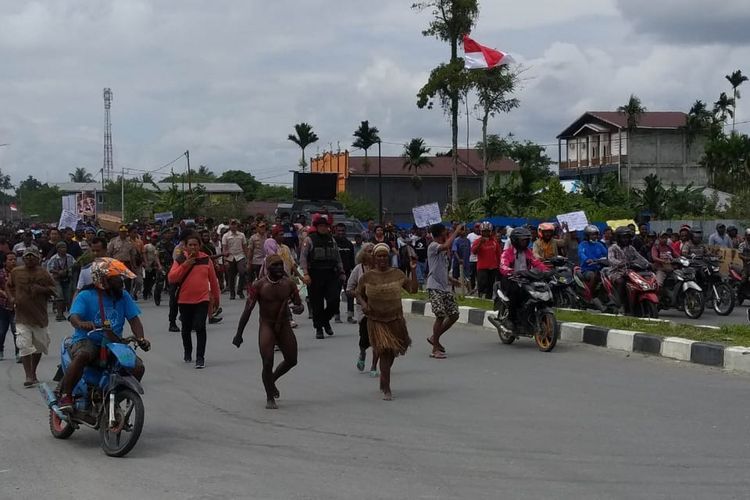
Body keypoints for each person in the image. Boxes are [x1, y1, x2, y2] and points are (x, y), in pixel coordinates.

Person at [57, 258, 150, 411]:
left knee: (137, 367)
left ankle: (116, 399)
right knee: (83, 355)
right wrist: (81, 323)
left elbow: (134, 320)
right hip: (87, 339)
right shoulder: (85, 296)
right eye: (116, 278)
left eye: (121, 277)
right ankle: (66, 395)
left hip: (113, 342)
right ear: (103, 280)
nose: (121, 281)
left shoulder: (124, 296)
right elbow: (74, 316)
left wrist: (141, 338)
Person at [233, 254, 304, 409]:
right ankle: (269, 397)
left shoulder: (289, 284)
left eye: (281, 265)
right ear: (267, 267)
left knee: (292, 360)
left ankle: (271, 380)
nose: (279, 268)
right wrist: (239, 334)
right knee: (267, 361)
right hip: (267, 325)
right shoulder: (259, 285)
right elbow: (248, 310)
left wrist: (299, 308)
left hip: (283, 324)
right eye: (275, 265)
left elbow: (299, 304)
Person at [355, 243, 417, 400]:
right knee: (384, 352)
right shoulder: (367, 277)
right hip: (376, 320)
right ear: (374, 258)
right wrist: (364, 304)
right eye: (379, 255)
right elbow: (358, 293)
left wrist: (414, 270)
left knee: (391, 353)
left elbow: (413, 290)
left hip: (395, 319)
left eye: (384, 255)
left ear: (388, 257)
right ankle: (387, 388)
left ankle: (384, 377)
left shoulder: (397, 274)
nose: (382, 258)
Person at [168, 234, 221, 369]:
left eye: (195, 245)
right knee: (186, 328)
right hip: (184, 300)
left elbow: (213, 280)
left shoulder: (205, 259)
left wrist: (216, 298)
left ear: (199, 246)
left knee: (200, 326)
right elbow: (171, 278)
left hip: (202, 299)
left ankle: (200, 357)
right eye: (190, 245)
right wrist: (184, 265)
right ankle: (188, 351)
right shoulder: (180, 259)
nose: (193, 247)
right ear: (185, 246)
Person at [7, 248, 56, 387]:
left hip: (39, 317)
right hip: (22, 316)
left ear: (38, 258)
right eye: (26, 257)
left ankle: (33, 372)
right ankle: (28, 375)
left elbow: (54, 290)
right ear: (22, 258)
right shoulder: (16, 272)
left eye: (32, 257)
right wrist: (11, 297)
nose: (29, 259)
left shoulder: (43, 273)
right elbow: (9, 285)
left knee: (39, 346)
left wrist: (42, 289)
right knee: (24, 345)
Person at [300, 214, 346, 339]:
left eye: (325, 226)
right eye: (320, 226)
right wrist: (305, 273)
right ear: (316, 227)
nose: (323, 228)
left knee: (334, 300)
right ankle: (319, 328)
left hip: (331, 274)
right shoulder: (309, 240)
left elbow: (337, 257)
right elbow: (303, 257)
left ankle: (325, 320)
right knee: (317, 304)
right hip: (315, 274)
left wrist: (341, 272)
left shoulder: (332, 239)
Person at [426, 223, 463, 359]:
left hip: (444, 286)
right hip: (434, 286)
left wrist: (452, 280)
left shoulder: (441, 251)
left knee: (454, 314)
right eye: (445, 232)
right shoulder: (433, 246)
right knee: (440, 315)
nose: (447, 233)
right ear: (440, 233)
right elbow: (446, 245)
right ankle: (435, 348)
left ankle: (434, 338)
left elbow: (439, 268)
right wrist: (456, 231)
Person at [499, 228, 549, 328]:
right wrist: (511, 272)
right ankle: (511, 319)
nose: (525, 242)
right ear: (515, 240)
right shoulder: (507, 253)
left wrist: (546, 271)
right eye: (522, 240)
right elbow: (503, 265)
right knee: (515, 293)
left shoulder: (528, 252)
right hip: (511, 279)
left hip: (526, 279)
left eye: (526, 240)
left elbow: (537, 263)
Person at [347, 243, 378, 375]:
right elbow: (349, 289)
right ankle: (362, 352)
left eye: (374, 251)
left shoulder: (380, 269)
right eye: (369, 251)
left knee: (378, 339)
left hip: (379, 308)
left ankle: (374, 366)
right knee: (365, 338)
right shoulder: (358, 269)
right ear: (363, 254)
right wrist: (360, 295)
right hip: (364, 309)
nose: (372, 254)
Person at [607, 227, 650, 313]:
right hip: (616, 272)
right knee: (621, 282)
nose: (625, 239)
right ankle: (619, 303)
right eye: (623, 237)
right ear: (619, 238)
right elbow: (611, 259)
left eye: (627, 237)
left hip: (630, 272)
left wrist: (648, 263)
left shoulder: (631, 248)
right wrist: (621, 263)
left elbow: (639, 257)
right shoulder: (613, 248)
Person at [578, 225, 608, 303]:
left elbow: (606, 253)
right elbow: (581, 253)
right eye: (592, 234)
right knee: (592, 276)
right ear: (587, 236)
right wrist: (587, 259)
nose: (594, 236)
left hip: (599, 268)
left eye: (595, 234)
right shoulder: (583, 244)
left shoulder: (599, 245)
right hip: (587, 269)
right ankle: (589, 295)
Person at [333, 222, 356, 324]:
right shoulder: (332, 243)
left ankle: (350, 316)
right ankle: (336, 315)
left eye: (343, 231)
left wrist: (353, 271)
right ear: (335, 231)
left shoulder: (349, 244)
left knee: (350, 294)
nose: (341, 233)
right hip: (335, 273)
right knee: (335, 294)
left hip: (348, 272)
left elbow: (352, 260)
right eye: (339, 231)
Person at [471, 222, 502, 299]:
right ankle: (481, 298)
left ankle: (488, 299)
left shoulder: (494, 242)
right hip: (482, 268)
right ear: (481, 231)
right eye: (484, 231)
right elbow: (474, 251)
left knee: (490, 285)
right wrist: (480, 244)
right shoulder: (477, 241)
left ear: (490, 231)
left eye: (487, 231)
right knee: (482, 284)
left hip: (493, 268)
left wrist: (499, 266)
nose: (486, 233)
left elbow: (498, 254)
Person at [46, 241, 76, 321]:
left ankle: (71, 314)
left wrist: (69, 271)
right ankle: (59, 314)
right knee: (59, 296)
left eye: (65, 247)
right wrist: (58, 272)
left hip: (67, 278)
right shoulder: (54, 258)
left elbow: (74, 265)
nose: (63, 249)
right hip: (57, 280)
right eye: (61, 247)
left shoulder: (70, 257)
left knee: (68, 297)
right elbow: (50, 269)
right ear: (57, 249)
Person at [222, 219, 248, 300]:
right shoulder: (226, 236)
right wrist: (225, 260)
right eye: (232, 224)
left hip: (240, 256)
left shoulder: (241, 235)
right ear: (229, 225)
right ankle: (232, 293)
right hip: (230, 257)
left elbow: (245, 247)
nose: (233, 226)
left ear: (237, 225)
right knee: (231, 276)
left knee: (242, 272)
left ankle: (240, 290)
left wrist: (247, 258)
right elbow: (224, 248)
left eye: (235, 224)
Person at [0, 253, 19, 362]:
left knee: (16, 330)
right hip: (3, 305)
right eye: (10, 259)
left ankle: (18, 352)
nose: (13, 261)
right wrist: (5, 294)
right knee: (2, 331)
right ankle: (0, 350)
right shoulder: (1, 273)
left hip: (17, 305)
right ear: (4, 262)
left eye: (14, 259)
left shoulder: (19, 273)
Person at [107, 225, 137, 292]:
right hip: (116, 264)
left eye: (125, 232)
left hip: (127, 264)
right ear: (119, 232)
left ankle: (128, 293)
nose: (123, 233)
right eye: (122, 232)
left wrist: (134, 265)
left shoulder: (130, 242)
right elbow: (109, 253)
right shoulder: (113, 241)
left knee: (127, 281)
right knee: (116, 280)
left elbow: (132, 255)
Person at [142, 232, 162, 301]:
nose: (155, 239)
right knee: (147, 280)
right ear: (151, 238)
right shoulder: (147, 246)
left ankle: (149, 290)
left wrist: (159, 265)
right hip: (148, 265)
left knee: (154, 280)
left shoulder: (158, 246)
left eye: (156, 238)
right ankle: (145, 293)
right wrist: (146, 263)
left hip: (155, 266)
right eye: (153, 238)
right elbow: (144, 255)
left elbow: (157, 256)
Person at [466, 223, 481, 293]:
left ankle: (479, 289)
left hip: (480, 259)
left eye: (479, 227)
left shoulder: (482, 236)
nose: (478, 229)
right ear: (474, 228)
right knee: (471, 275)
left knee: (479, 276)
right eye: (476, 227)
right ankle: (471, 288)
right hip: (471, 258)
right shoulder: (470, 236)